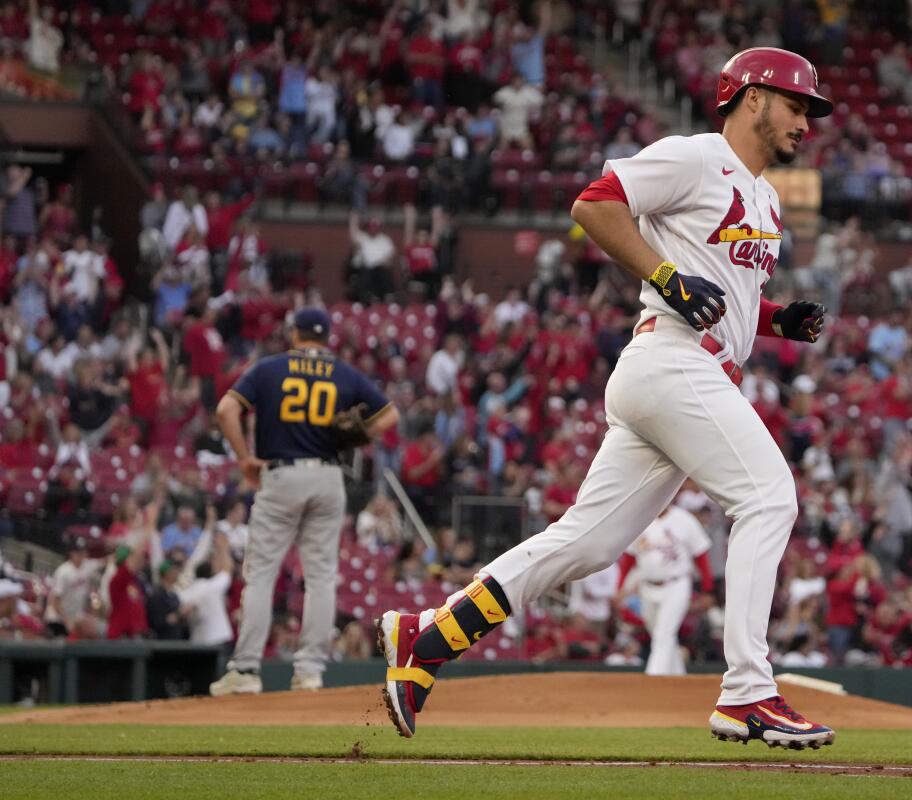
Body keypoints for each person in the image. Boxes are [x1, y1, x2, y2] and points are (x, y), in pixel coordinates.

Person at [376, 47, 835, 750]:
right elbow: (593, 205)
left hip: (687, 371)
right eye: (795, 104)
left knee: (586, 545)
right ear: (750, 99)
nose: (806, 120)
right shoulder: (693, 158)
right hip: (673, 360)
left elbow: (725, 292)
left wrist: (775, 320)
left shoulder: (767, 195)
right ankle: (748, 692)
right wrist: (665, 273)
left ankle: (429, 639)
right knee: (769, 497)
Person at [209, 307, 399, 695]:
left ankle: (246, 670)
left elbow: (226, 409)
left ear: (294, 334)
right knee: (321, 577)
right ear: (326, 337)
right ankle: (310, 671)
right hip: (328, 476)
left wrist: (245, 457)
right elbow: (389, 416)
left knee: (261, 574)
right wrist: (356, 435)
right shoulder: (343, 372)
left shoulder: (269, 368)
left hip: (281, 474)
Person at [616, 502, 714, 676]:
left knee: (663, 633)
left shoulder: (684, 520)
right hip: (647, 586)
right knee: (660, 634)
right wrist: (620, 586)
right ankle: (678, 675)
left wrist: (707, 590)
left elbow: (701, 555)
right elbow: (629, 557)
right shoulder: (639, 517)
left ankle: (654, 677)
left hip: (676, 584)